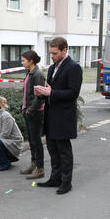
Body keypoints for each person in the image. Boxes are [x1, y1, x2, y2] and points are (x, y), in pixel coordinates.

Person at [34, 37, 83, 195]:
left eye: (55, 53)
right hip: (51, 115)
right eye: (50, 53)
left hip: (63, 117)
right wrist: (41, 93)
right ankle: (55, 178)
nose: (52, 56)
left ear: (64, 50)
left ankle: (66, 182)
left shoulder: (74, 67)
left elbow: (73, 93)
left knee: (64, 151)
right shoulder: (53, 67)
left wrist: (51, 92)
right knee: (53, 150)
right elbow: (50, 90)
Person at [19, 50, 46, 180]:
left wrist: (31, 109)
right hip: (28, 110)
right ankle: (33, 164)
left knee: (36, 141)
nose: (21, 62)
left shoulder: (37, 74)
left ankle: (40, 168)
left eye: (24, 60)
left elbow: (40, 95)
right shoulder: (29, 73)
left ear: (31, 61)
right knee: (31, 141)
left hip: (34, 112)